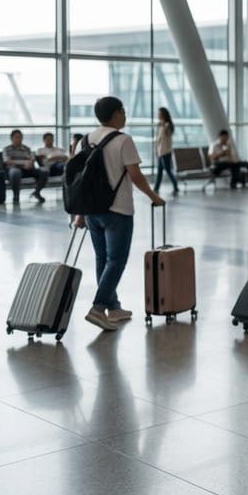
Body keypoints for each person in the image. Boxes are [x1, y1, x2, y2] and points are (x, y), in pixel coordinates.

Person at [73, 96, 166, 331]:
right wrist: (153, 196)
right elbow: (135, 174)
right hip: (118, 210)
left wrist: (80, 213)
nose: (125, 115)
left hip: (93, 211)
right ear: (115, 114)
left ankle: (113, 308)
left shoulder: (84, 140)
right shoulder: (124, 140)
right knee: (116, 261)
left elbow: (79, 181)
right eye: (123, 111)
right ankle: (98, 307)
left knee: (102, 259)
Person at [2, 130, 48, 205]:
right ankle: (16, 195)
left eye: (21, 137)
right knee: (15, 172)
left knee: (44, 171)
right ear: (12, 138)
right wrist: (23, 163)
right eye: (17, 137)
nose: (19, 139)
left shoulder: (26, 148)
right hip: (14, 168)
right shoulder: (7, 149)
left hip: (28, 169)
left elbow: (32, 158)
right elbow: (7, 161)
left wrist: (30, 162)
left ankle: (37, 192)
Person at [153, 107, 180, 196]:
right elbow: (157, 140)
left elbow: (168, 134)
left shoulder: (167, 125)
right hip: (160, 152)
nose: (158, 114)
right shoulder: (159, 125)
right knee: (160, 172)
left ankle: (175, 187)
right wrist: (156, 151)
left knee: (168, 170)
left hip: (166, 152)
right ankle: (156, 189)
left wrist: (164, 125)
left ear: (163, 114)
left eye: (159, 113)